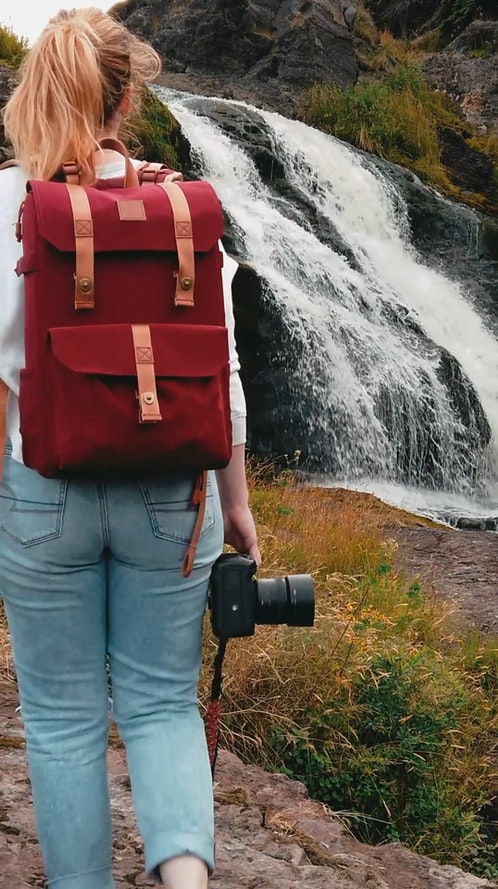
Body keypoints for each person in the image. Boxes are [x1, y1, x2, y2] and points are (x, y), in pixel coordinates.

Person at [0, 8, 260, 889]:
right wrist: (238, 504)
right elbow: (219, 367)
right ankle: (187, 881)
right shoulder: (182, 205)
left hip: (42, 492)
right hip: (172, 495)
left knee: (64, 718)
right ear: (127, 94)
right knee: (160, 706)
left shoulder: (7, 201)